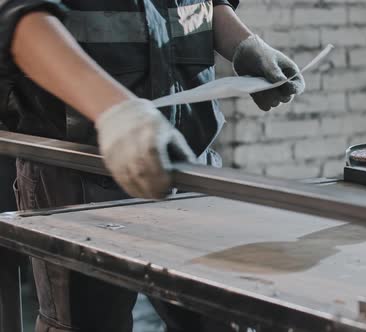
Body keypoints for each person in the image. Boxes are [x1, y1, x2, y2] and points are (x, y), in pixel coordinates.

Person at [0, 0, 305, 331]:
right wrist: (118, 113)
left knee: (218, 319)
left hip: (189, 163)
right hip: (80, 174)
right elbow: (19, 20)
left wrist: (244, 45)